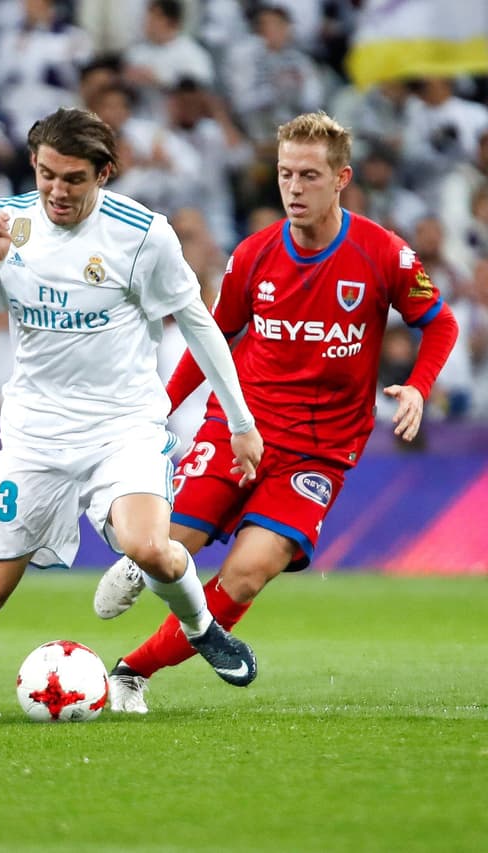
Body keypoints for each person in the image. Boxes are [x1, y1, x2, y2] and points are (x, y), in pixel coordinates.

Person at [0, 106, 264, 721]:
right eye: (46, 175)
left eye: (73, 179)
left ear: (104, 174)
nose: (57, 191)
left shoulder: (143, 236)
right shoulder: (7, 224)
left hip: (123, 428)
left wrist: (242, 422)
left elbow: (200, 324)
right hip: (34, 436)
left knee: (148, 546)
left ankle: (201, 628)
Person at [92, 111, 461, 714]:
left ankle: (132, 672)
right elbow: (215, 335)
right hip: (242, 427)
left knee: (246, 574)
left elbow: (439, 321)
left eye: (309, 176)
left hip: (320, 451)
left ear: (341, 178)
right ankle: (142, 563)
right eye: (286, 174)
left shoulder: (383, 255)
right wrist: (158, 410)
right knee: (166, 543)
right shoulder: (254, 254)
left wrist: (419, 386)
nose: (293, 188)